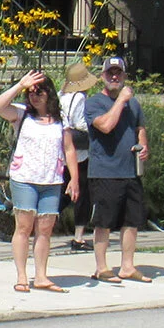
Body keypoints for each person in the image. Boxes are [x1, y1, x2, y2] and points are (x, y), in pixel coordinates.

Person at [0, 67, 79, 292]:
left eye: (40, 91)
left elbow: (69, 149)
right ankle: (22, 277)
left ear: (49, 93)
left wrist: (74, 179)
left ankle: (41, 276)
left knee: (45, 229)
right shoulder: (21, 114)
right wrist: (21, 84)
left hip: (52, 180)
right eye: (31, 91)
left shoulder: (61, 119)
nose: (35, 95)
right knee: (23, 227)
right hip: (25, 179)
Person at [83, 55, 151, 284]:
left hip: (130, 170)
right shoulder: (94, 103)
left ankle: (127, 266)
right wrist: (120, 100)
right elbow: (105, 126)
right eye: (110, 73)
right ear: (102, 76)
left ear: (124, 75)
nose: (114, 77)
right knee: (104, 221)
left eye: (118, 73)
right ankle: (101, 267)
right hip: (105, 171)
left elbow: (139, 126)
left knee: (131, 221)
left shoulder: (134, 104)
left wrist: (144, 145)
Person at [59, 61, 97, 253]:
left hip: (61, 154)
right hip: (79, 154)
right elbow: (81, 127)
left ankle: (39, 225)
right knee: (82, 195)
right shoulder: (80, 99)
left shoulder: (60, 96)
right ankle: (79, 237)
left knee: (62, 194)